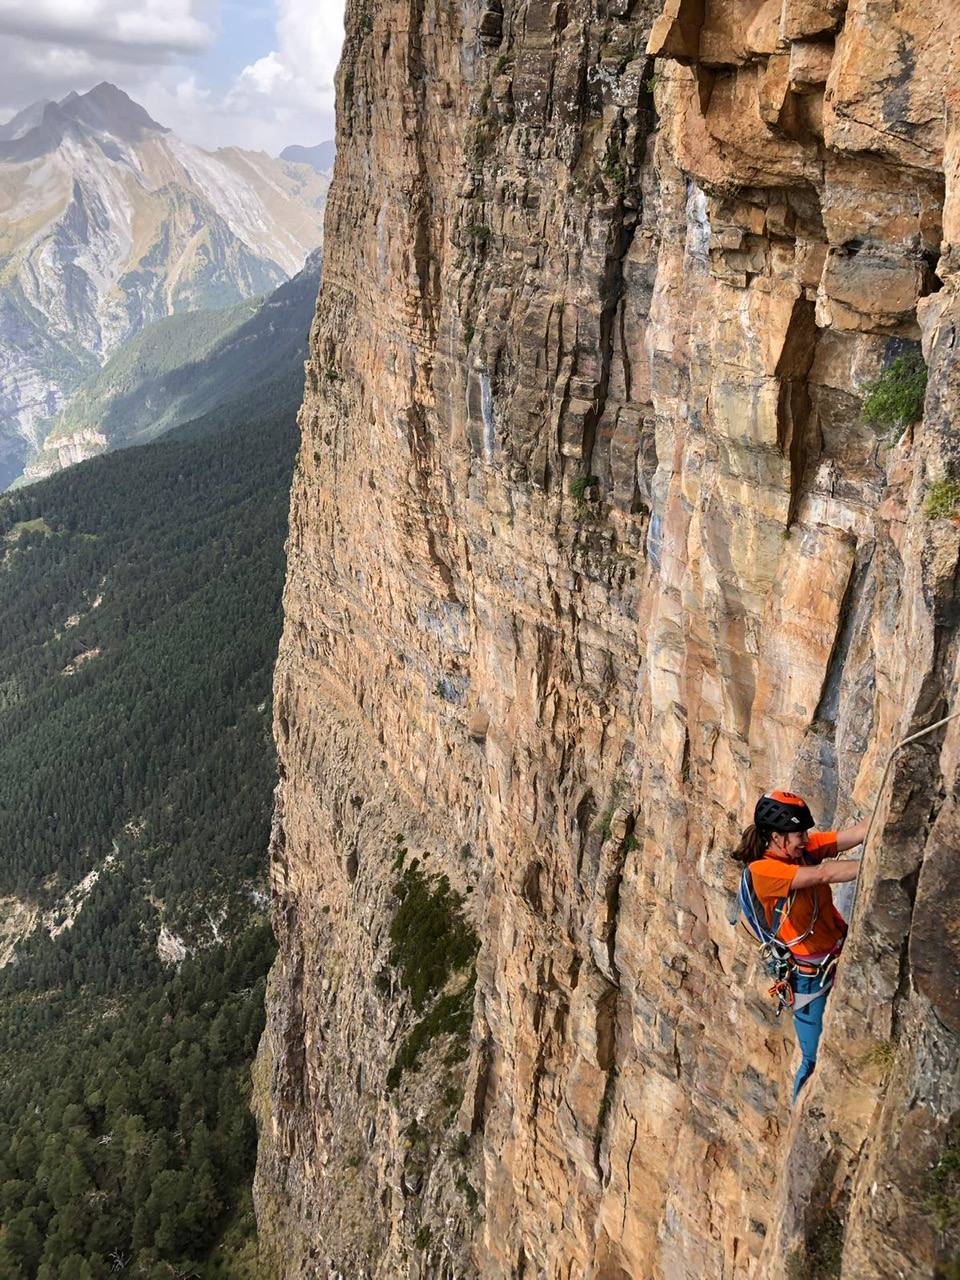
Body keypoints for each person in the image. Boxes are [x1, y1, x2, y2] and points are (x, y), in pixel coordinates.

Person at [733, 790, 867, 1104]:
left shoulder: (801, 850)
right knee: (813, 1061)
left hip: (836, 953)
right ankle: (801, 1119)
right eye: (798, 834)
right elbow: (823, 874)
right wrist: (880, 863)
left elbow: (857, 834)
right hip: (810, 979)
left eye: (805, 833)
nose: (805, 839)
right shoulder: (763, 871)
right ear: (776, 837)